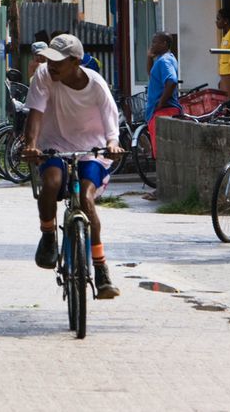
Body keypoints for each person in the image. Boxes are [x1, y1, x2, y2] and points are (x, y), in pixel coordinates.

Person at [22, 33, 122, 300]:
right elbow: (35, 114)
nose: (51, 66)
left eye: (58, 61)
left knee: (86, 200)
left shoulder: (96, 85)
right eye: (50, 60)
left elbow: (111, 127)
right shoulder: (43, 75)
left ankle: (101, 269)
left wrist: (113, 145)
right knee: (52, 183)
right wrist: (31, 145)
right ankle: (47, 235)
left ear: (76, 62)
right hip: (54, 146)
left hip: (92, 150)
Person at [145, 31, 180, 154]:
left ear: (164, 44)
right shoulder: (165, 58)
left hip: (163, 111)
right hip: (164, 110)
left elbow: (172, 81)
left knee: (162, 153)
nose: (152, 45)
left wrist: (161, 103)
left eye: (155, 42)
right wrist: (149, 57)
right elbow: (152, 75)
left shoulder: (164, 61)